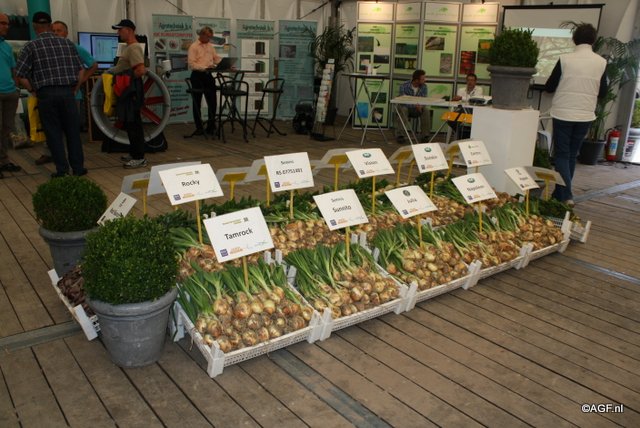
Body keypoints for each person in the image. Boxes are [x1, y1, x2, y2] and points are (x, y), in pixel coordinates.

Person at [16, 11, 87, 177]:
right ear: (50, 25)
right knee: (73, 132)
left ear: (34, 27)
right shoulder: (67, 44)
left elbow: (20, 74)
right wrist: (75, 88)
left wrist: (33, 90)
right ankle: (78, 168)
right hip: (67, 92)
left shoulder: (30, 46)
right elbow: (81, 70)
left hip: (46, 94)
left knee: (53, 133)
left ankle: (62, 170)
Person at [544, 23, 607, 206]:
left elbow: (549, 87)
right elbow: (603, 92)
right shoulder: (601, 62)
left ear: (574, 39)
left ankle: (566, 195)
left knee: (562, 155)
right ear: (593, 40)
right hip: (585, 115)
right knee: (571, 155)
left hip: (563, 113)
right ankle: (559, 194)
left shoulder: (565, 59)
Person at [35, 20, 98, 166]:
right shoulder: (46, 49)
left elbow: (93, 65)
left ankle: (73, 162)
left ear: (66, 32)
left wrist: (81, 81)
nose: (56, 33)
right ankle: (51, 154)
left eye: (59, 30)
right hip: (51, 94)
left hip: (72, 95)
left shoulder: (74, 47)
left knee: (71, 130)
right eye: (54, 31)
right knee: (52, 129)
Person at [109, 19, 148, 169]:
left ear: (130, 30)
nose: (118, 33)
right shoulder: (129, 47)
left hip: (131, 91)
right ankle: (134, 153)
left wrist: (125, 80)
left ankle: (139, 158)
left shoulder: (134, 48)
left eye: (120, 30)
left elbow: (140, 70)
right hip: (128, 90)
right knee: (130, 123)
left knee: (134, 124)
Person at [187, 26, 221, 135]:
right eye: (208, 37)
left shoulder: (210, 46)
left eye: (210, 37)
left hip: (208, 76)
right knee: (197, 103)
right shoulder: (193, 47)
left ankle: (211, 126)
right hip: (197, 76)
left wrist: (226, 64)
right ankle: (199, 127)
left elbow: (216, 58)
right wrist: (205, 68)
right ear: (201, 35)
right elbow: (192, 64)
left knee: (212, 102)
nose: (209, 39)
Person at [0, 12, 21, 179]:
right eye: (2, 23)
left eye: (7, 23)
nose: (6, 26)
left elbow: (13, 69)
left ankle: (3, 160)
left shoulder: (6, 46)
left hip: (10, 92)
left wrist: (16, 88)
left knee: (6, 128)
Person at [395, 69, 430, 144]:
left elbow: (424, 99)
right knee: (404, 109)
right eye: (423, 79)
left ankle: (425, 136)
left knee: (426, 110)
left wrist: (421, 106)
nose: (425, 80)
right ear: (417, 80)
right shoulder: (404, 85)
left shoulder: (424, 87)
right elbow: (402, 100)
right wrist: (415, 105)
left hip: (418, 109)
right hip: (406, 107)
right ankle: (400, 135)